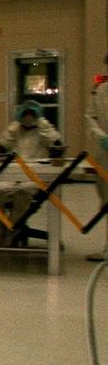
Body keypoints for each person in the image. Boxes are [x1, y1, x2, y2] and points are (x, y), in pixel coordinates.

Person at [0, 100, 63, 247]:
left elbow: (57, 144)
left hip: (35, 174)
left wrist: (41, 125)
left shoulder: (44, 128)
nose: (28, 117)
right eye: (25, 113)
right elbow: (2, 146)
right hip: (13, 172)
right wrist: (13, 129)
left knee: (22, 193)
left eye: (31, 113)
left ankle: (11, 232)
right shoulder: (15, 129)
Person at [88, 54, 108, 261]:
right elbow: (91, 117)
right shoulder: (100, 91)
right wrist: (102, 137)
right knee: (105, 199)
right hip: (105, 154)